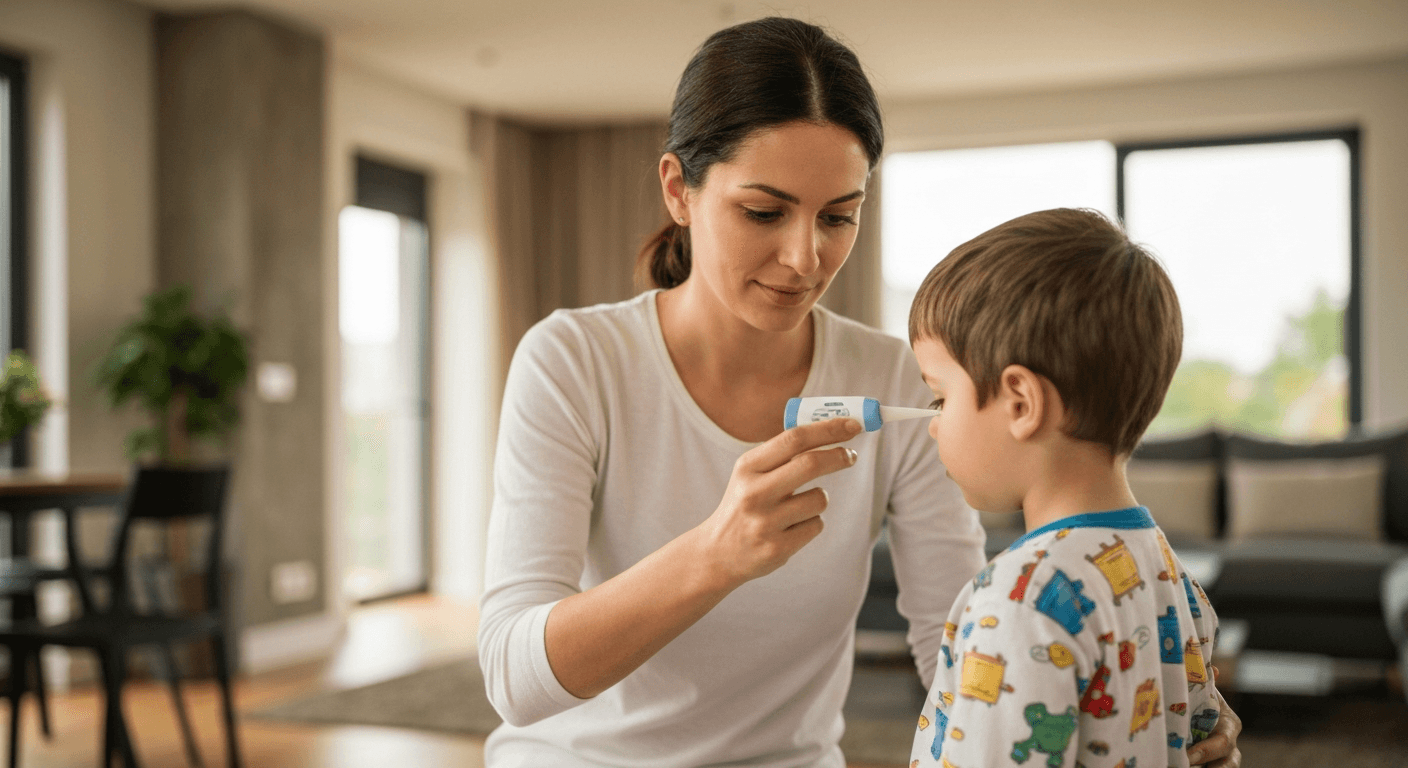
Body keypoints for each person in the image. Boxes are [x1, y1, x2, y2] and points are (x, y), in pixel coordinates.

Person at [477, 17, 1242, 768]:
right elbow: (515, 679)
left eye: (838, 216)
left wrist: (1148, 696)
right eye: (763, 211)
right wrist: (716, 554)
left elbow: (955, 642)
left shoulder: (894, 379)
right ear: (679, 188)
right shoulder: (573, 360)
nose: (804, 257)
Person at [906, 208, 1227, 768]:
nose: (934, 423)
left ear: (1021, 403)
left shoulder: (1020, 599)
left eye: (940, 397)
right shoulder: (1174, 576)